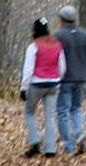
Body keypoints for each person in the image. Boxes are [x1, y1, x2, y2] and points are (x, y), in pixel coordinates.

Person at [54, 5, 86, 155]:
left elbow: (54, 59)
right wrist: (84, 72)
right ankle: (79, 134)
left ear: (62, 20)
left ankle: (69, 146)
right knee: (76, 109)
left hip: (65, 79)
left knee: (63, 112)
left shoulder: (58, 36)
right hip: (80, 78)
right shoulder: (85, 35)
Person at [20, 17, 64, 156]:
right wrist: (58, 79)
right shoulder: (57, 44)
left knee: (29, 112)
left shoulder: (34, 46)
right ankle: (50, 149)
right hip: (54, 83)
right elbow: (62, 67)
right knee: (50, 115)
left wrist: (23, 88)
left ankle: (34, 143)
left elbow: (28, 69)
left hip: (37, 83)